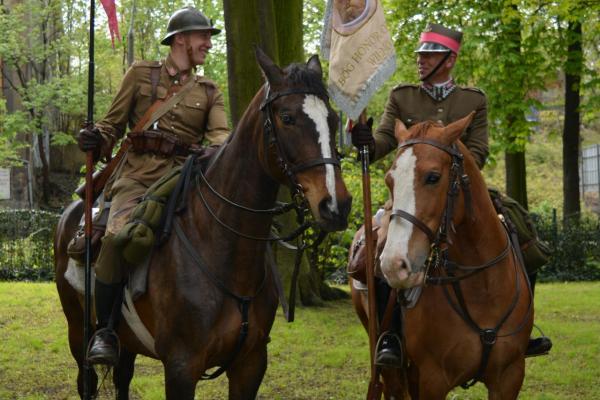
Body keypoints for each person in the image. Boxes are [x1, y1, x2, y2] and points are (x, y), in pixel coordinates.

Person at [350, 22, 552, 367]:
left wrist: (450, 162)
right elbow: (385, 140)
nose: (421, 60)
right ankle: (391, 339)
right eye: (419, 54)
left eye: (429, 55)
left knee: (522, 235)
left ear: (449, 59)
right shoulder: (402, 96)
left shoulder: (473, 100)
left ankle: (522, 329)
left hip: (462, 189)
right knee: (378, 251)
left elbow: (479, 150)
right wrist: (367, 142)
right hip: (409, 195)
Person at [77, 6, 229, 365]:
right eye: (202, 36)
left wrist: (218, 152)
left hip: (183, 177)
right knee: (116, 238)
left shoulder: (209, 90)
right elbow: (111, 125)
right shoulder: (141, 74)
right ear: (181, 40)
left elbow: (221, 137)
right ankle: (106, 330)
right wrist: (93, 138)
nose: (208, 43)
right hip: (137, 176)